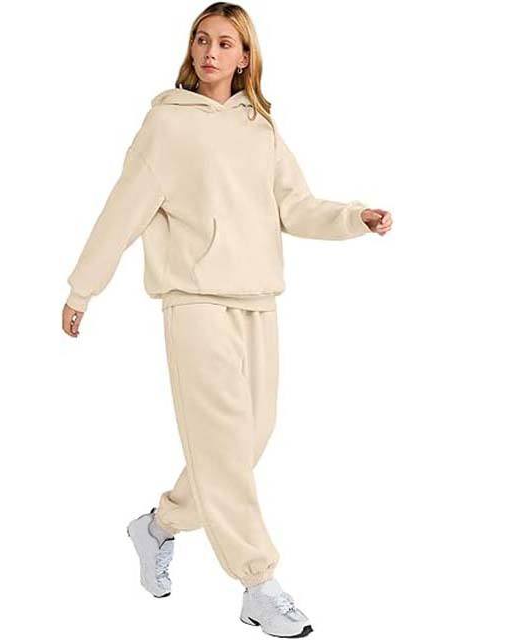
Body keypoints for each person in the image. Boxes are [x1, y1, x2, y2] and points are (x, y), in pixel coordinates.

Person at [61, 2, 392, 636]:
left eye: (224, 43)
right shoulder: (166, 124)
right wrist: (83, 289)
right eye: (201, 39)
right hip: (194, 302)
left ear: (245, 58)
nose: (209, 52)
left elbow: (295, 206)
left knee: (246, 444)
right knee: (222, 450)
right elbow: (122, 210)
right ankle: (258, 583)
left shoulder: (259, 128)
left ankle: (158, 525)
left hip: (258, 301)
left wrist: (354, 218)